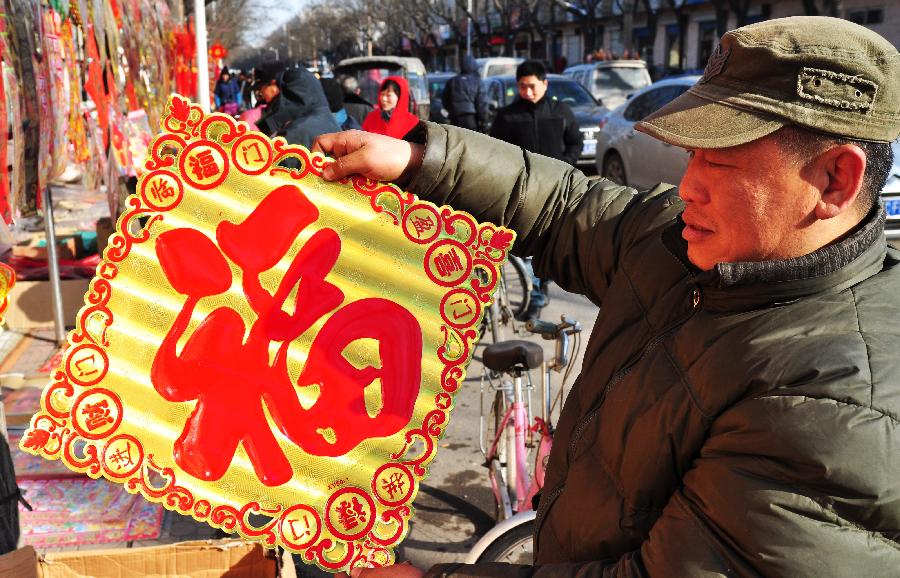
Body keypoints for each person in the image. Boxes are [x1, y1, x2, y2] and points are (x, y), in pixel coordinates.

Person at [314, 16, 900, 577]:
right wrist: (420, 160)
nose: (688, 184)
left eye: (720, 160)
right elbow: (565, 205)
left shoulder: (835, 404)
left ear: (833, 181)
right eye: (692, 153)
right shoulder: (686, 244)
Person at [490, 59, 583, 320]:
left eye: (532, 86)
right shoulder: (507, 117)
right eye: (522, 87)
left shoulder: (560, 111)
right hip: (522, 192)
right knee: (528, 246)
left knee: (552, 243)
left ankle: (543, 284)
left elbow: (575, 143)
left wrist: (566, 167)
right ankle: (536, 297)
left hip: (557, 190)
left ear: (544, 84)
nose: (527, 92)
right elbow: (496, 151)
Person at [253, 61, 340, 149]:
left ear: (273, 83)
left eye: (260, 90)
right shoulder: (327, 119)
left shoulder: (296, 130)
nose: (261, 95)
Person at [441, 55, 487, 131]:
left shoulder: (452, 82)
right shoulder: (477, 81)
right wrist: (483, 120)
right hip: (472, 118)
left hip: (455, 118)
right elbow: (481, 102)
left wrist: (451, 110)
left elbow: (444, 99)